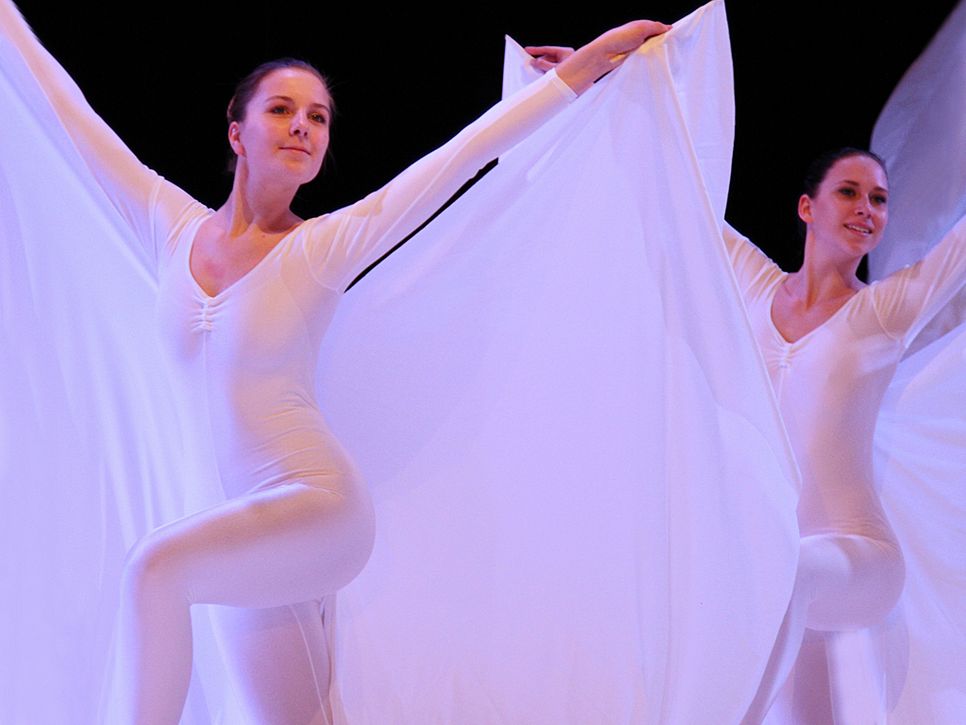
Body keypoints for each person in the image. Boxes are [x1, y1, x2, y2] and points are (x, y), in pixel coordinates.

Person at [0, 4, 671, 723]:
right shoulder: (168, 224)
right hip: (246, 532)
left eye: (317, 118)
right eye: (281, 110)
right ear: (236, 132)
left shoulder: (323, 245)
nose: (302, 126)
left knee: (153, 568)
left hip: (319, 508)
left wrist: (579, 71)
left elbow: (459, 158)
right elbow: (70, 118)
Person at [724, 149, 965, 722]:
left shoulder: (885, 310)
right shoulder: (754, 288)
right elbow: (682, 191)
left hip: (860, 559)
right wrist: (606, 100)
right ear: (807, 207)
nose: (867, 208)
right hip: (776, 563)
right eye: (849, 192)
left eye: (879, 199)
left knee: (792, 572)